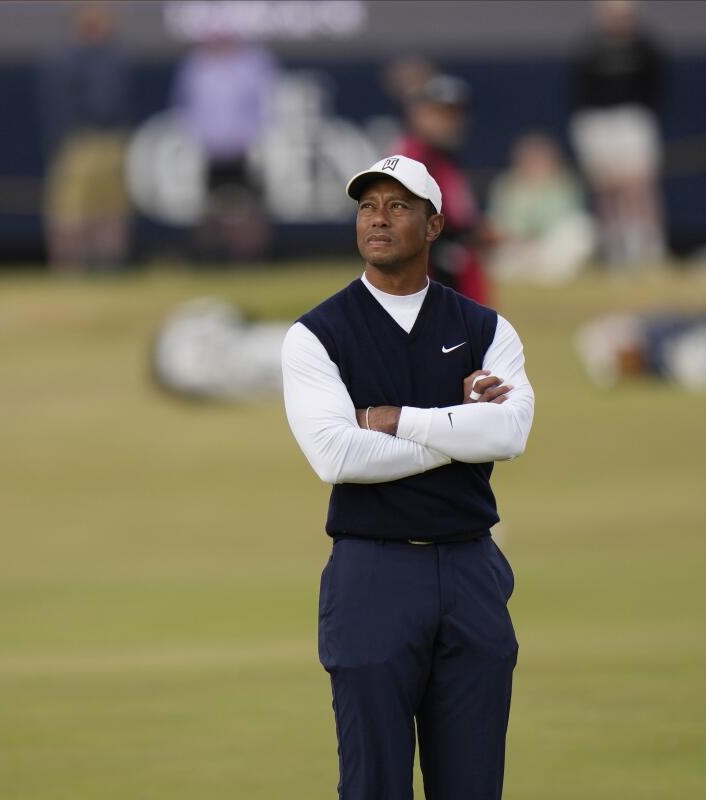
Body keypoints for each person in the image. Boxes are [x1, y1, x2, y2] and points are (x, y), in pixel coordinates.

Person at [281, 155, 535, 799]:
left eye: (398, 206)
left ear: (434, 225)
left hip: (471, 567)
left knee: (473, 785)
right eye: (368, 207)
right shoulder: (315, 335)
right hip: (373, 573)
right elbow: (337, 457)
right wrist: (458, 432)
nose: (379, 219)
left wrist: (398, 421)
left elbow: (509, 434)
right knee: (374, 786)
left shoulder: (485, 328)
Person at [570, 0, 666, 268]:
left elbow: (657, 88)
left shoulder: (645, 49)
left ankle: (647, 249)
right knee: (606, 188)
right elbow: (580, 92)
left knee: (637, 187)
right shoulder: (590, 49)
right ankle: (615, 250)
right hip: (597, 122)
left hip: (632, 120)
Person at [39, 3, 132, 272]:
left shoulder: (114, 57)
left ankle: (109, 269)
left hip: (113, 141)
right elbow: (58, 105)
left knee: (111, 211)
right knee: (70, 213)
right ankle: (69, 270)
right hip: (78, 142)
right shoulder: (64, 58)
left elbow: (120, 103)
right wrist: (64, 142)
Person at [171, 36, 279, 261]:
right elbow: (184, 106)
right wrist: (200, 136)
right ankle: (209, 256)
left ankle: (252, 256)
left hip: (247, 149)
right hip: (209, 149)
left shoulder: (254, 62)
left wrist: (252, 135)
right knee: (209, 207)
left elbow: (266, 102)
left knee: (251, 206)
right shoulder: (197, 66)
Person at [396, 74, 492, 304]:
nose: (449, 122)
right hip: (429, 282)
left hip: (453, 276)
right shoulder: (412, 159)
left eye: (455, 114)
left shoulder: (444, 158)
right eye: (440, 113)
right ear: (418, 114)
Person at [489, 132, 596, 285]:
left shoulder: (565, 183)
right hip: (516, 247)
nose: (534, 164)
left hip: (547, 246)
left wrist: (537, 242)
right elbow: (498, 221)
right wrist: (519, 240)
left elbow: (566, 220)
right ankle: (531, 272)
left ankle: (545, 273)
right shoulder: (505, 185)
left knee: (583, 227)